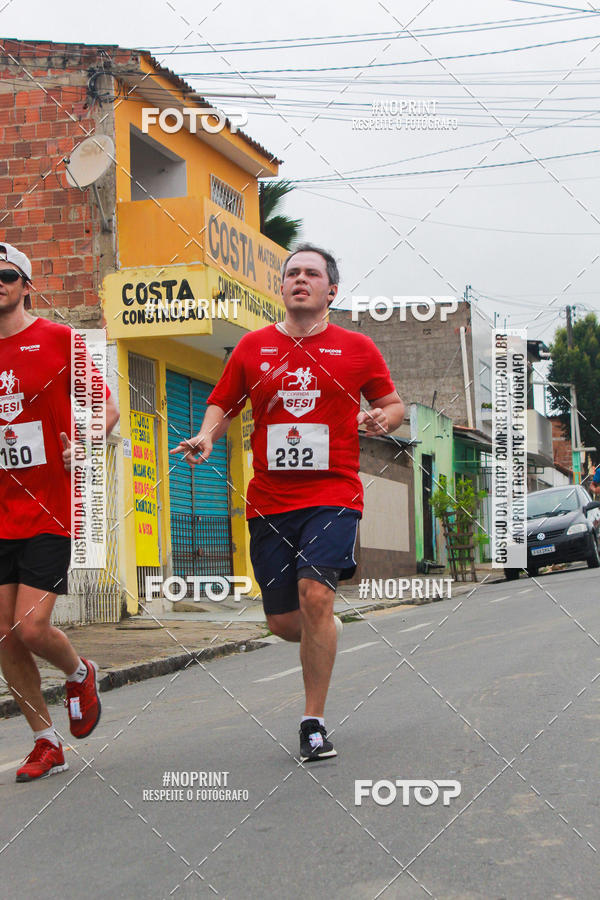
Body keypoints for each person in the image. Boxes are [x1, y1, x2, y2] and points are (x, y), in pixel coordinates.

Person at [171, 243, 404, 761]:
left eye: (312, 274)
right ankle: (325, 629)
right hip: (270, 500)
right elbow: (221, 403)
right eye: (292, 273)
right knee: (283, 621)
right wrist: (208, 436)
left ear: (331, 290)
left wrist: (382, 420)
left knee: (316, 596)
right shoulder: (253, 347)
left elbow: (392, 404)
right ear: (282, 287)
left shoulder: (358, 348)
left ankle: (313, 722)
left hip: (334, 493)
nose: (301, 279)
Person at [0, 243, 120, 782]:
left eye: (6, 275)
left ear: (26, 285)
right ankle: (44, 741)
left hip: (47, 507)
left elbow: (106, 406)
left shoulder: (59, 340)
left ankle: (79, 671)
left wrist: (87, 436)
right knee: (2, 635)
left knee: (30, 627)